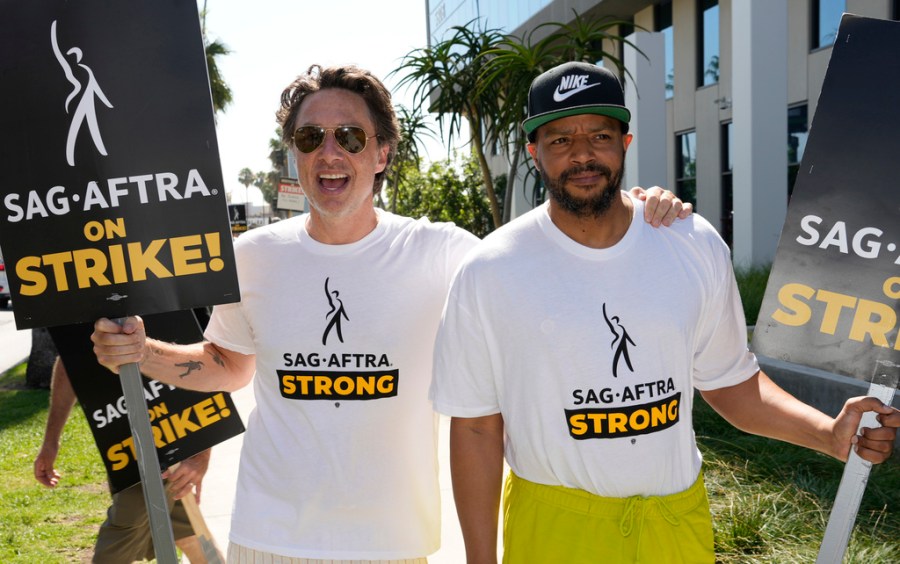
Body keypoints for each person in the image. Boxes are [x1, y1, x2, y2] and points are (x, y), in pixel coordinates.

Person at [90, 64, 690, 563]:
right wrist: (143, 353)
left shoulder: (444, 252)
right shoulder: (252, 258)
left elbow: (545, 260)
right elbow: (228, 365)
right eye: (310, 138)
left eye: (349, 137)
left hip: (392, 542)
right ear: (293, 154)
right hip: (268, 536)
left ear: (380, 152)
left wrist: (632, 212)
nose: (329, 153)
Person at [429, 61, 900, 564]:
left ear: (625, 144)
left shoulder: (690, 244)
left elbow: (730, 383)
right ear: (534, 153)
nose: (583, 154)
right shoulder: (491, 269)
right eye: (561, 139)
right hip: (555, 528)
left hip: (675, 525)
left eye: (600, 135)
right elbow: (477, 427)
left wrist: (826, 433)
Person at [34, 357, 210, 563]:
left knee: (118, 542)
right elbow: (69, 359)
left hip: (168, 433)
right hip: (124, 439)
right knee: (188, 532)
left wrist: (202, 452)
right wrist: (50, 441)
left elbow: (206, 357)